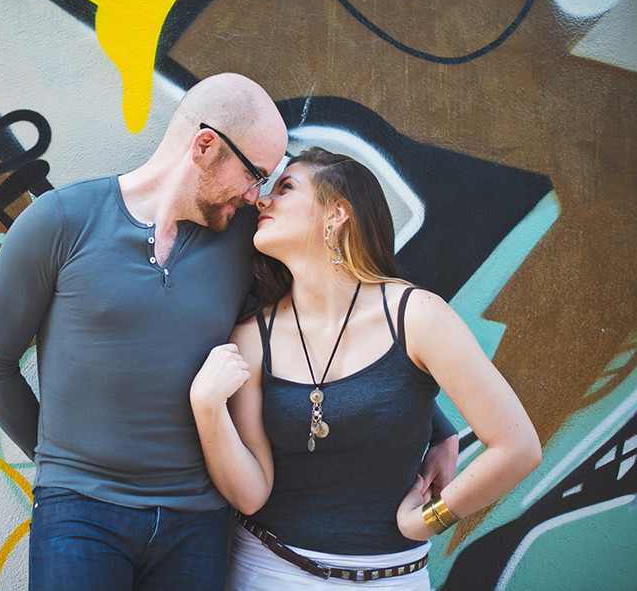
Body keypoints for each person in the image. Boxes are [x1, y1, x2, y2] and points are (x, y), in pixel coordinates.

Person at [0, 74, 455, 591]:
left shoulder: (247, 240)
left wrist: (436, 426)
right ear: (204, 146)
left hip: (197, 524)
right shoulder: (61, 221)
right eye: (254, 175)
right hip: (81, 516)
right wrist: (61, 467)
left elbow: (329, 326)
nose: (256, 196)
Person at [189, 147, 542, 590]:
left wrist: (427, 520)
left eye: (286, 187)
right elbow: (251, 493)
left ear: (336, 214)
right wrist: (206, 407)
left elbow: (518, 447)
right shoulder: (253, 336)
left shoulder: (417, 317)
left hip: (393, 579)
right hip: (267, 571)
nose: (262, 199)